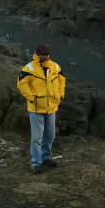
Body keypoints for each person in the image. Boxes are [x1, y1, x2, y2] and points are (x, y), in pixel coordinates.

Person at [17, 44, 66, 174]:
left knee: (50, 135)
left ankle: (46, 157)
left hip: (51, 108)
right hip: (36, 109)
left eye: (47, 55)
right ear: (37, 54)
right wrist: (31, 98)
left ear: (50, 55)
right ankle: (36, 163)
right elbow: (22, 84)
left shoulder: (55, 67)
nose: (45, 57)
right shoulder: (29, 68)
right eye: (42, 55)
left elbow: (62, 80)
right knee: (37, 138)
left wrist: (61, 95)